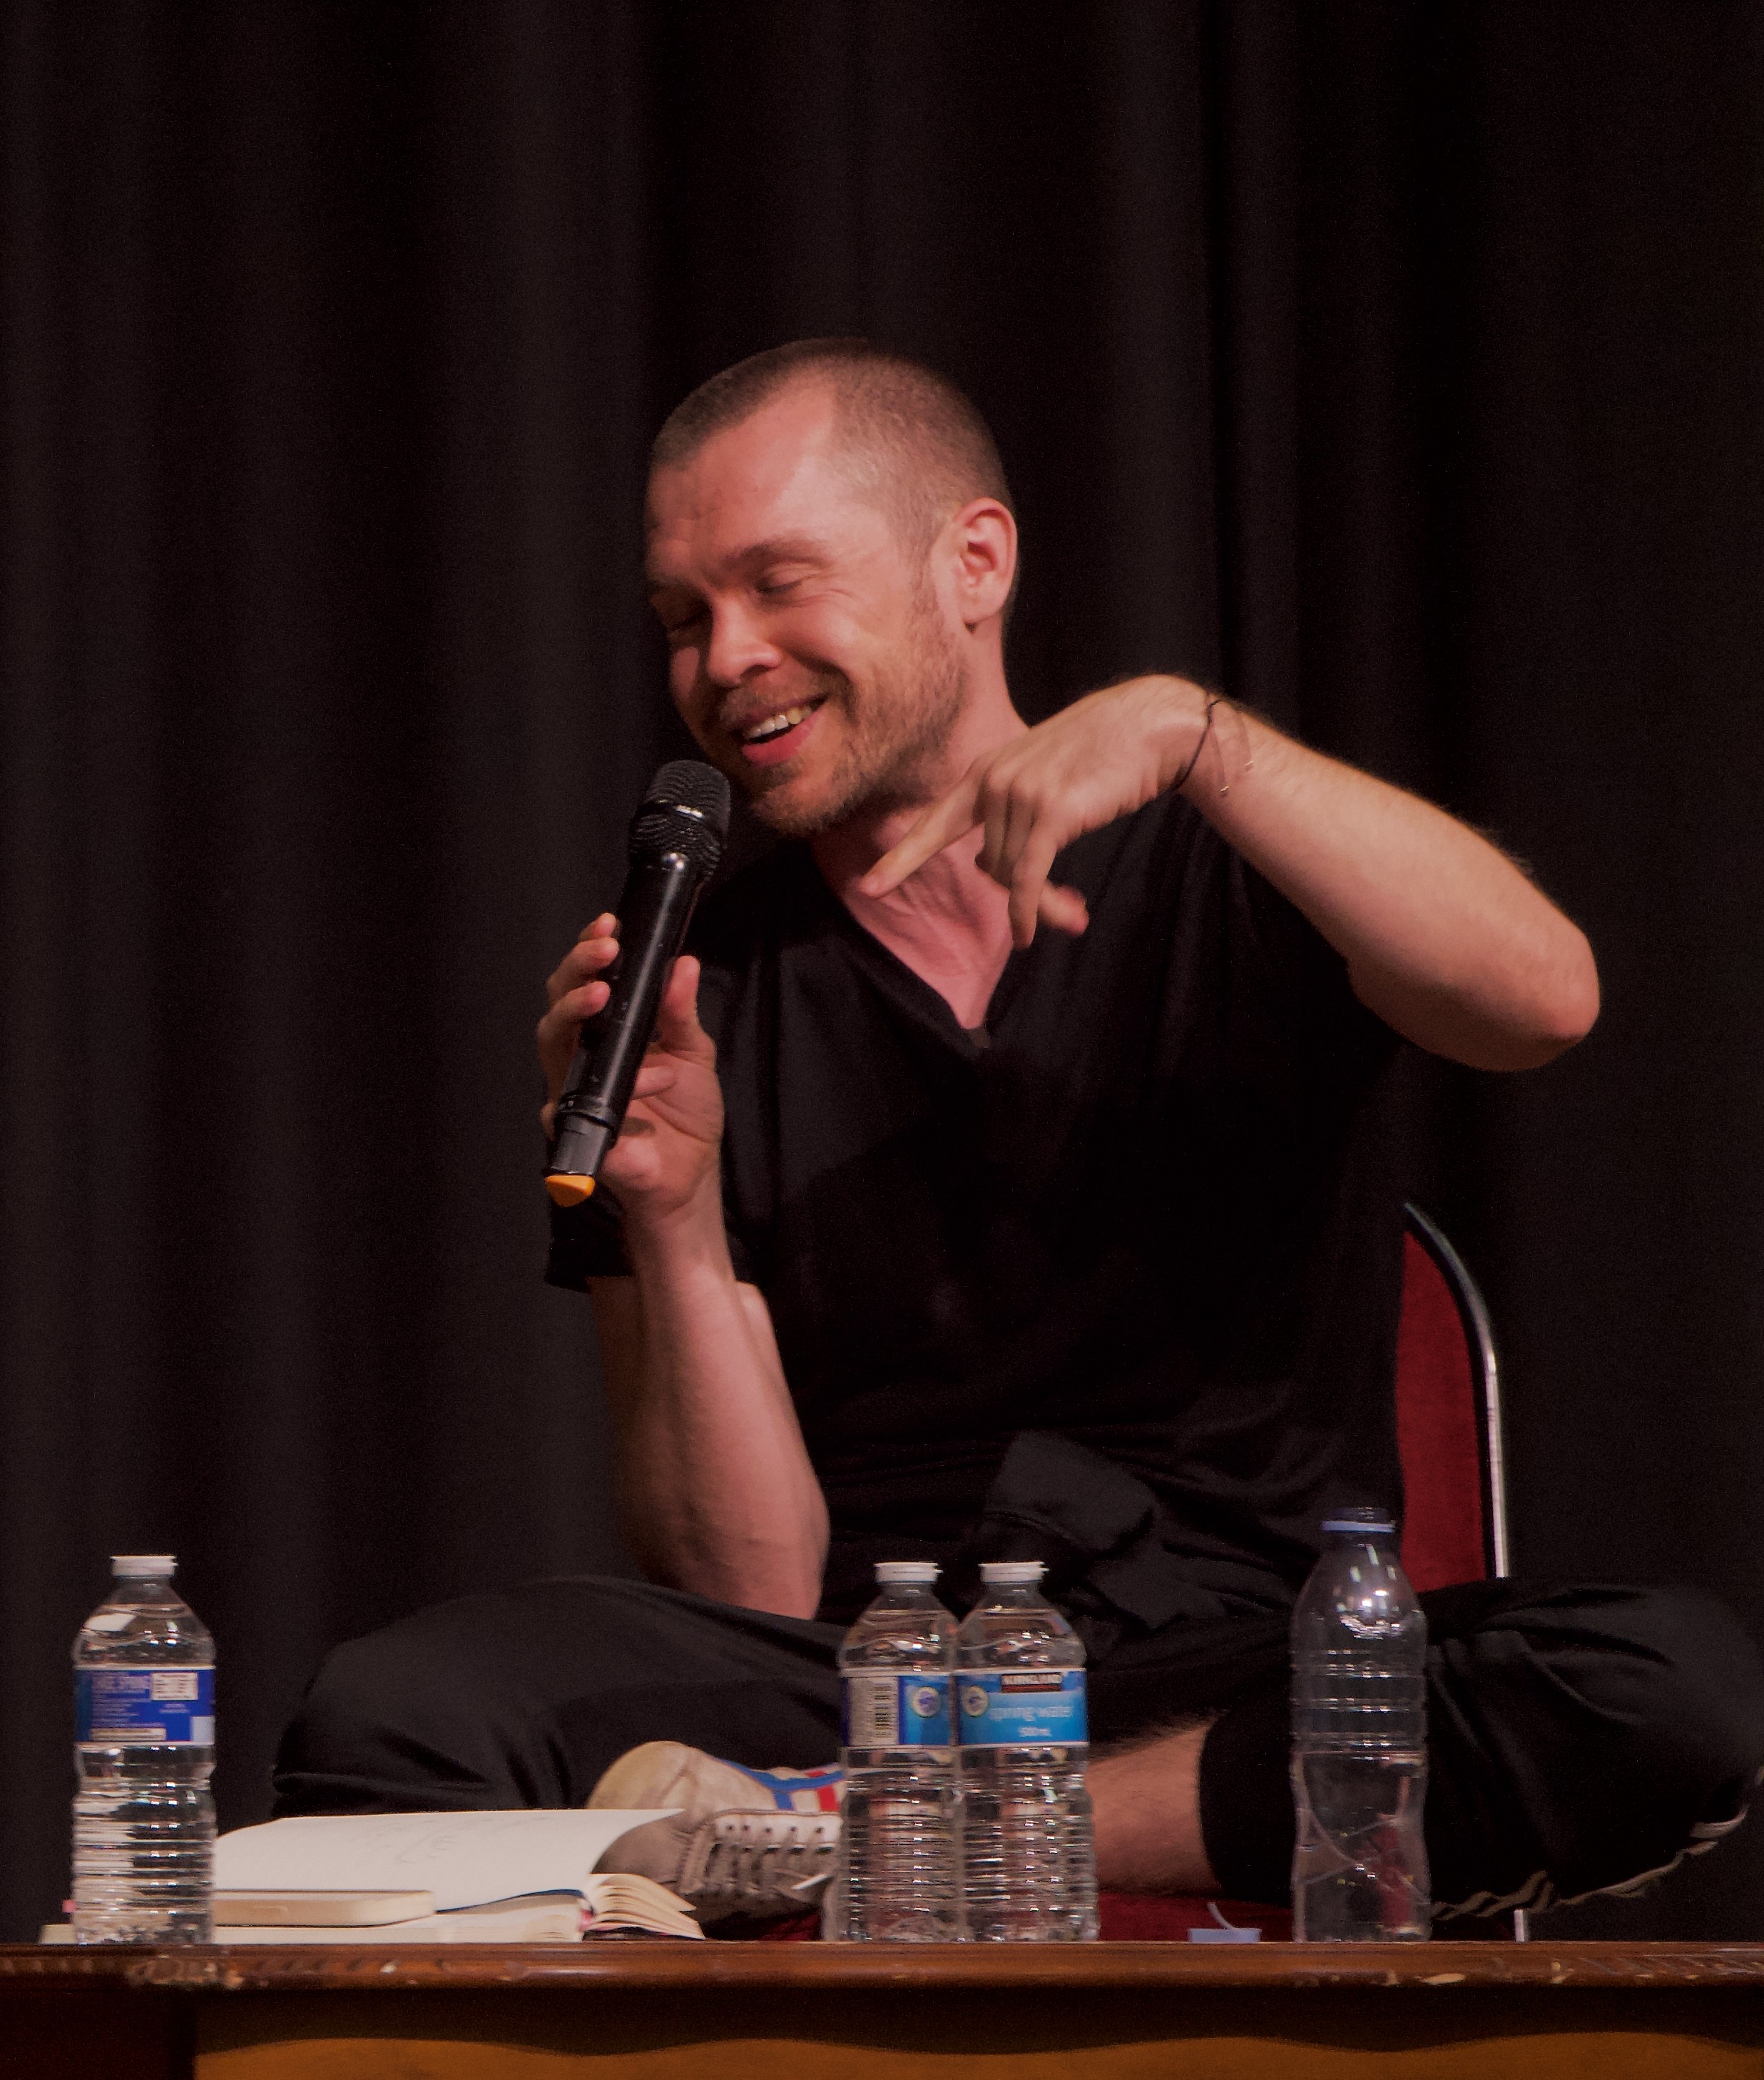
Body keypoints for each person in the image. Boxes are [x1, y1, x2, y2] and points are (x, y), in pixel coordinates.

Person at [274, 338, 1764, 1920]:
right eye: (684, 619)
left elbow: (1545, 1000)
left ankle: (889, 1840)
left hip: (1231, 1675)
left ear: (973, 561)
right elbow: (746, 1587)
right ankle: (859, 1814)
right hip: (869, 1669)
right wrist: (675, 1220)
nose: (727, 660)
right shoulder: (692, 1002)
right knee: (401, 1713)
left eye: (780, 586)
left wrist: (1204, 736)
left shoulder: (1226, 861)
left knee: (1661, 1688)